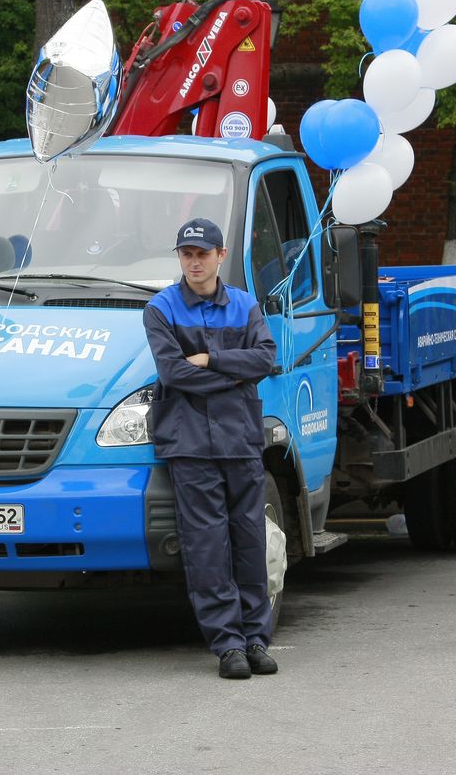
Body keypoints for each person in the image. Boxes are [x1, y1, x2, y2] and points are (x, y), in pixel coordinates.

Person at [142, 217, 280, 680]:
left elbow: (266, 358)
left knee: (249, 540)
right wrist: (236, 374)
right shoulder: (160, 308)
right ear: (179, 258)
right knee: (206, 547)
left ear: (221, 256)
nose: (194, 262)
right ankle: (228, 646)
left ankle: (257, 639)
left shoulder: (244, 304)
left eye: (203, 253)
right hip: (191, 445)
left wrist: (212, 359)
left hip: (239, 439)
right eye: (187, 254)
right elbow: (173, 374)